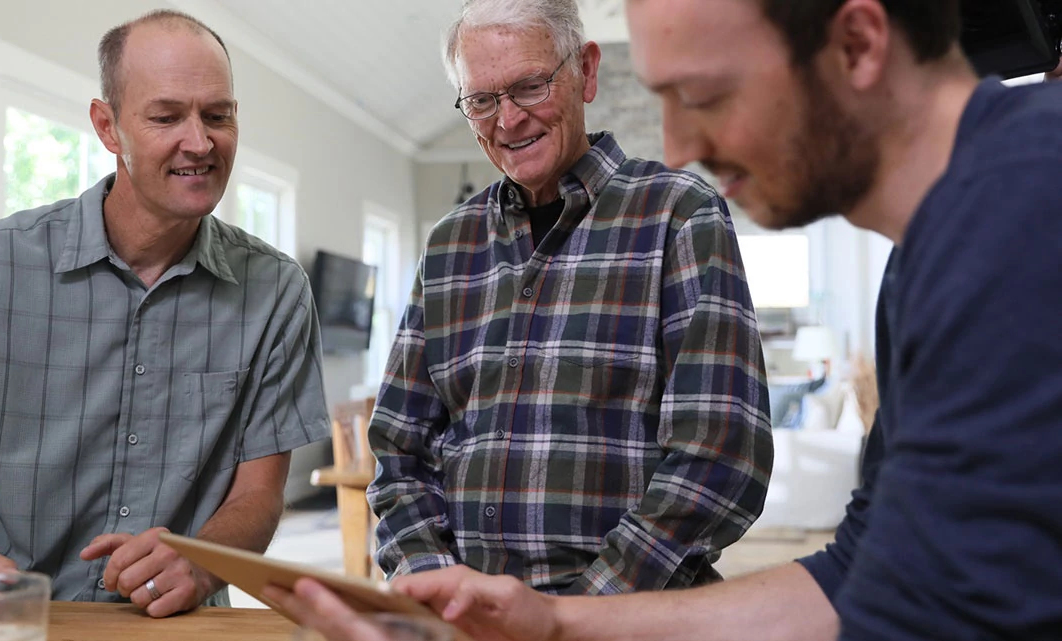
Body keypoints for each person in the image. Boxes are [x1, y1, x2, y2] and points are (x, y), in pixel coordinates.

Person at [267, 0, 1062, 638]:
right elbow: (863, 576)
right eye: (482, 99)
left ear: (857, 45)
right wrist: (546, 624)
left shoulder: (1024, 207)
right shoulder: (925, 254)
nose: (676, 144)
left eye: (704, 94)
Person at [0, 10, 330, 618]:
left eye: (218, 115)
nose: (200, 141)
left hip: (176, 625)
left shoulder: (276, 291)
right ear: (107, 126)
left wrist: (200, 558)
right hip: (1, 621)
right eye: (167, 117)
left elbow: (259, 497)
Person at [366, 0, 771, 596]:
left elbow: (720, 454)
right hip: (467, 619)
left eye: (530, 86)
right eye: (481, 100)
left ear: (585, 70)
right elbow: (399, 450)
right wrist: (436, 587)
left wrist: (582, 616)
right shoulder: (449, 243)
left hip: (629, 618)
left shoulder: (679, 214)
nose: (507, 121)